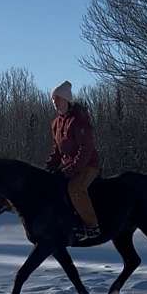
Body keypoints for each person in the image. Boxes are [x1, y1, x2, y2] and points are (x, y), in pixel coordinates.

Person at [46, 80, 101, 240]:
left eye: (58, 99)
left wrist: (74, 168)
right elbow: (57, 149)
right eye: (53, 100)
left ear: (66, 100)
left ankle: (92, 226)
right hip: (68, 166)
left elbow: (86, 148)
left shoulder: (79, 119)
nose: (55, 103)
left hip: (87, 165)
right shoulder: (56, 123)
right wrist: (49, 166)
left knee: (75, 188)